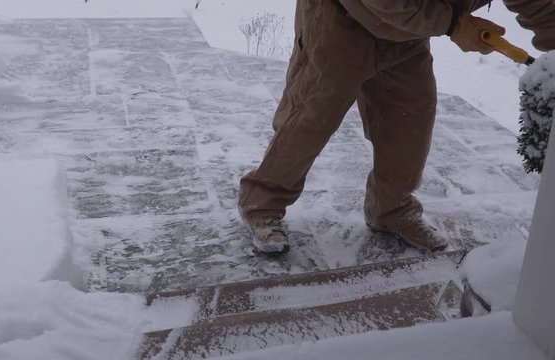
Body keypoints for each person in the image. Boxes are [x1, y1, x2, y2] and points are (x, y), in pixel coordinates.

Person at [238, 0, 555, 254]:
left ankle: (390, 209)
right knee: (312, 116)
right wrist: (452, 23)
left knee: (411, 120)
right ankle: (262, 201)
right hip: (340, 19)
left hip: (410, 33)